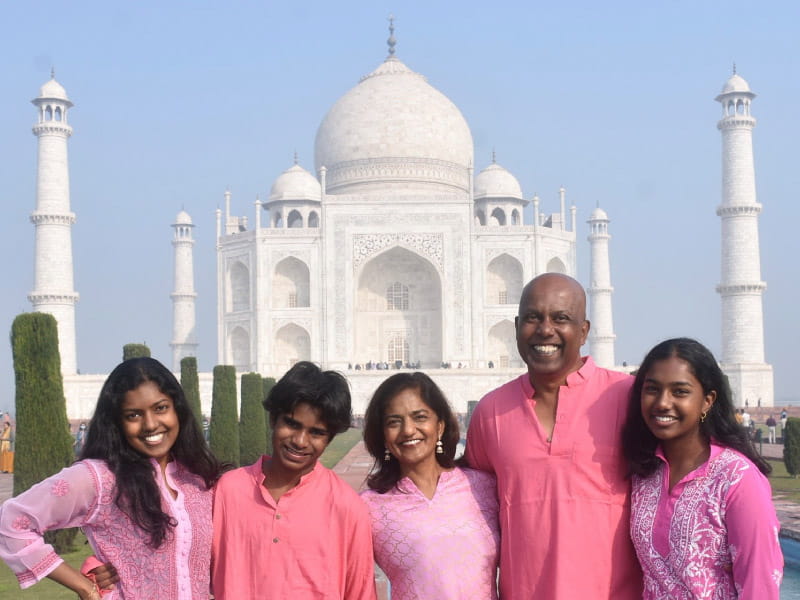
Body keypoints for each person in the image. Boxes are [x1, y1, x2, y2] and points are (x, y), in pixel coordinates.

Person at [465, 273, 641, 599]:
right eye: (533, 317)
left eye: (561, 318)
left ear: (585, 331)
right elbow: (470, 509)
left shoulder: (625, 397)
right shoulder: (491, 411)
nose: (545, 329)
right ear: (517, 326)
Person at [0, 357, 224, 599]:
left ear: (178, 410)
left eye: (160, 408)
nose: (150, 424)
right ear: (117, 422)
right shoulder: (101, 478)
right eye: (133, 415)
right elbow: (12, 521)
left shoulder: (199, 479)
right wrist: (84, 586)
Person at [622, 338, 782, 598]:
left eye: (680, 391)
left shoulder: (736, 479)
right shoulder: (645, 473)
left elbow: (759, 583)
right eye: (652, 389)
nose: (662, 402)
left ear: (707, 401)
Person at [211, 361, 376, 599]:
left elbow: (360, 592)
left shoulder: (346, 507)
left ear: (328, 439)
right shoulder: (229, 491)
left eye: (316, 432)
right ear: (273, 420)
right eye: (291, 424)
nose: (300, 440)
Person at [361, 372, 500, 599]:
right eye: (394, 422)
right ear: (384, 436)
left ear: (440, 426)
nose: (408, 430)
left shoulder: (483, 487)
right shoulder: (370, 506)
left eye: (420, 417)